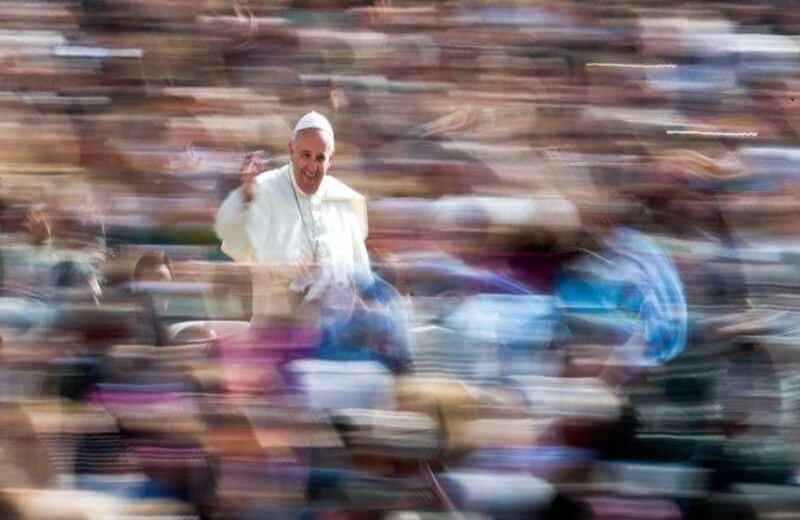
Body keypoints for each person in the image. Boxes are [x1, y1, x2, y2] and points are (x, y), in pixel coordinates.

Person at [215, 110, 371, 324]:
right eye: (305, 155)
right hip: (276, 329)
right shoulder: (264, 188)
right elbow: (235, 242)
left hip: (334, 332)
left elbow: (360, 273)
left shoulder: (342, 199)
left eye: (320, 158)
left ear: (331, 158)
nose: (312, 167)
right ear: (291, 149)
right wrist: (246, 198)